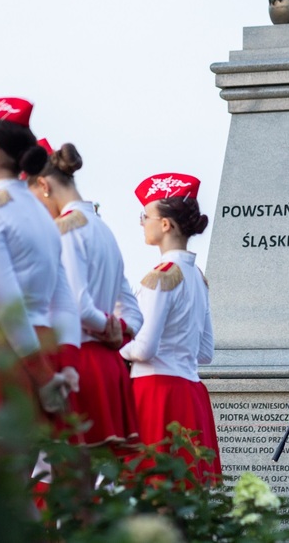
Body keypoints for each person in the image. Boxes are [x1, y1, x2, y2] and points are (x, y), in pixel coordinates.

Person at [0, 99, 77, 432]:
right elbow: (65, 301)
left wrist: (42, 374)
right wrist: (65, 365)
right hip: (43, 345)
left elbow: (4, 300)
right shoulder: (45, 216)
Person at [26, 139, 143, 448]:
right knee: (91, 472)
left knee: (53, 469)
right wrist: (117, 329)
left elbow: (77, 305)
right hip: (108, 365)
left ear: (44, 186)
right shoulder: (104, 229)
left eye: (33, 199)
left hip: (76, 362)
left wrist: (107, 327)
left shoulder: (64, 230)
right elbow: (134, 314)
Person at [120, 172, 220, 483]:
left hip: (155, 392)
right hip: (190, 393)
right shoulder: (198, 278)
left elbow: (144, 349)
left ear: (165, 224)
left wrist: (114, 344)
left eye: (145, 216)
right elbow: (205, 352)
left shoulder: (162, 276)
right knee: (185, 489)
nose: (142, 223)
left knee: (148, 487)